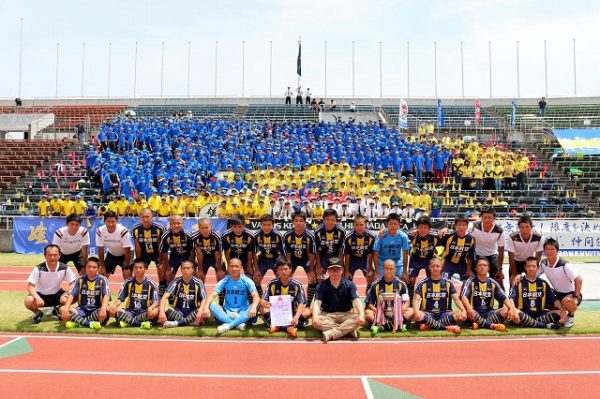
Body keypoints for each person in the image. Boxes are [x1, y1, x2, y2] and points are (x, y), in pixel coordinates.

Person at [312, 258, 365, 343]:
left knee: (358, 319)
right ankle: (348, 330)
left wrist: (361, 315)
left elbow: (356, 300)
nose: (335, 272)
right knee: (317, 320)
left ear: (342, 270)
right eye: (332, 269)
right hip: (327, 315)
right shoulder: (321, 286)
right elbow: (317, 303)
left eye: (337, 269)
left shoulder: (350, 285)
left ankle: (331, 334)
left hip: (346, 315)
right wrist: (314, 317)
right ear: (328, 271)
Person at [204, 258, 260, 334]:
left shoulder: (247, 280)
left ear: (241, 268)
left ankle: (229, 325)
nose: (234, 269)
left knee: (256, 304)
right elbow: (212, 295)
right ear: (228, 268)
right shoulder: (225, 280)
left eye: (236, 266)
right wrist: (205, 307)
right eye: (232, 266)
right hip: (228, 312)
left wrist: (253, 307)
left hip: (243, 311)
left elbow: (256, 296)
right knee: (208, 303)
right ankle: (239, 323)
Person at [508, 257, 566, 330]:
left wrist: (563, 311)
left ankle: (528, 323)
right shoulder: (518, 282)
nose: (531, 268)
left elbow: (554, 299)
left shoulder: (543, 283)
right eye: (529, 266)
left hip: (539, 313)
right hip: (524, 312)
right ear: (525, 267)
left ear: (537, 267)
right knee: (514, 312)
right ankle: (545, 325)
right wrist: (513, 311)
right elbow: (510, 298)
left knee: (559, 313)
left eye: (533, 266)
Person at [25, 244, 77, 324]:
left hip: (57, 295)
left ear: (59, 255)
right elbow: (30, 287)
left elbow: (73, 283)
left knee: (75, 295)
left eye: (55, 255)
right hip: (41, 295)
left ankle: (58, 309)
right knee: (28, 301)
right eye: (49, 255)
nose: (52, 257)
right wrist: (37, 298)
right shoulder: (38, 269)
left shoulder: (65, 268)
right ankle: (38, 313)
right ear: (45, 256)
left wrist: (69, 293)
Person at [412, 257, 466, 334]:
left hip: (444, 313)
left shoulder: (448, 283)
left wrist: (463, 310)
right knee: (418, 314)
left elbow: (456, 299)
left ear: (441, 268)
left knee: (458, 313)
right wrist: (416, 312)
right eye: (433, 266)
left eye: (437, 266)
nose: (435, 268)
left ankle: (430, 325)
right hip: (428, 313)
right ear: (429, 268)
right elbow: (416, 300)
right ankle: (447, 327)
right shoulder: (422, 283)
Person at [537, 238, 582, 328]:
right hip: (557, 293)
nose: (549, 252)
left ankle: (571, 315)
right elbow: (534, 275)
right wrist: (521, 275)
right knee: (540, 296)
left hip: (570, 294)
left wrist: (575, 297)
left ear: (557, 250)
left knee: (567, 302)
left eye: (552, 249)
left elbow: (579, 279)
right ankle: (560, 313)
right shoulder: (543, 263)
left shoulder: (565, 265)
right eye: (547, 249)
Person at [260, 257, 310, 337]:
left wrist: (297, 317)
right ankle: (288, 328)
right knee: (262, 308)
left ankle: (276, 326)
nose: (283, 271)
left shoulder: (297, 284)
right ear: (277, 270)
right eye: (280, 269)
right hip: (277, 315)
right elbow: (262, 300)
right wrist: (265, 303)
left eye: (286, 269)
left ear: (290, 270)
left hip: (293, 314)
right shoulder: (272, 284)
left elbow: (301, 303)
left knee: (308, 311)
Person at [460, 258, 513, 331]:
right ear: (475, 268)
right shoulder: (470, 281)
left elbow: (504, 298)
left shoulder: (493, 283)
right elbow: (463, 296)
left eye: (485, 265)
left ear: (488, 268)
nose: (482, 267)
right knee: (470, 311)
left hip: (488, 312)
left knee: (505, 310)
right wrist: (469, 308)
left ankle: (479, 324)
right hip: (474, 312)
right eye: (480, 265)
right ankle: (490, 325)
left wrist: (511, 309)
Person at [365, 259, 413, 336]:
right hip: (381, 313)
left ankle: (381, 326)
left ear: (395, 270)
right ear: (383, 269)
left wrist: (401, 310)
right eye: (386, 269)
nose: (389, 271)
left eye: (391, 269)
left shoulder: (401, 284)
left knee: (411, 311)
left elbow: (407, 302)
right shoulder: (375, 284)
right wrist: (377, 311)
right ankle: (398, 325)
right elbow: (369, 303)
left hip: (397, 313)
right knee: (368, 313)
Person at [61, 257, 110, 330]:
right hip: (82, 310)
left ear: (98, 268)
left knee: (107, 309)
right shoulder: (80, 279)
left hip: (96, 310)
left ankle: (79, 323)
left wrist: (102, 309)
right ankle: (89, 324)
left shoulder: (103, 279)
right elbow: (71, 295)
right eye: (89, 267)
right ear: (85, 268)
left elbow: (106, 296)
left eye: (94, 267)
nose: (91, 269)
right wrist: (66, 308)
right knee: (62, 309)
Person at [109, 258, 159, 329]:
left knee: (156, 312)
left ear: (145, 269)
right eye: (135, 268)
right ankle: (141, 324)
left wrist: (150, 308)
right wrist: (114, 306)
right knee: (116, 311)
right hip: (130, 311)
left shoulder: (151, 284)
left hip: (144, 311)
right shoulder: (128, 282)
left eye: (140, 268)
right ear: (133, 269)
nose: (138, 270)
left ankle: (128, 322)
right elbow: (120, 298)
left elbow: (156, 301)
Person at [158, 260, 208, 328]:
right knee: (164, 308)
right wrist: (161, 312)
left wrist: (200, 311)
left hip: (192, 311)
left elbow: (204, 299)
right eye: (184, 268)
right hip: (179, 312)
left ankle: (176, 323)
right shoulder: (176, 282)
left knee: (203, 310)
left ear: (192, 270)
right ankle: (189, 322)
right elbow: (164, 297)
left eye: (188, 268)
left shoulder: (198, 282)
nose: (186, 270)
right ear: (181, 270)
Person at [283, 211, 317, 304]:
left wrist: (311, 270)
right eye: (296, 221)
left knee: (312, 279)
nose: (299, 223)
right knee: (286, 278)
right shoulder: (287, 235)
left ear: (305, 222)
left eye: (301, 221)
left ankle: (308, 303)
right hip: (292, 259)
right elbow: (288, 254)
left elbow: (311, 254)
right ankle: (289, 302)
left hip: (306, 259)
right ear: (293, 222)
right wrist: (288, 268)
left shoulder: (310, 236)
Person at [467, 208, 505, 288]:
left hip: (492, 255)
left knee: (499, 279)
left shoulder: (500, 231)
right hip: (477, 255)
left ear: (494, 219)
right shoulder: (473, 226)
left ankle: (504, 298)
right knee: (472, 279)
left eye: (490, 217)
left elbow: (501, 251)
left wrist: (500, 269)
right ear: (481, 217)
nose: (487, 220)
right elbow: (460, 231)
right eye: (485, 217)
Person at [158, 214, 194, 297]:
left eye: (178, 223)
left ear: (182, 223)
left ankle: (189, 292)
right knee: (168, 274)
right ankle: (169, 294)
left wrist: (192, 264)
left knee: (189, 273)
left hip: (186, 257)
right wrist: (166, 267)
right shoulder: (165, 236)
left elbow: (192, 251)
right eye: (173, 223)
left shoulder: (188, 235)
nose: (176, 225)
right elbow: (163, 252)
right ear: (170, 224)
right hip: (174, 257)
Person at [253, 214, 285, 299]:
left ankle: (279, 300)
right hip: (262, 259)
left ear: (273, 225)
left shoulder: (278, 235)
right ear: (260, 225)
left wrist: (280, 267)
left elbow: (283, 254)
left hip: (275, 259)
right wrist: (256, 269)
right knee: (257, 279)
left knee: (281, 279)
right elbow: (253, 254)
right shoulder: (256, 236)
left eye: (269, 225)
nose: (266, 227)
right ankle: (259, 300)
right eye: (264, 225)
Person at [506, 215, 544, 283]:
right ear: (519, 228)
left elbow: (538, 258)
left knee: (531, 285)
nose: (524, 230)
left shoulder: (539, 238)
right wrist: (514, 274)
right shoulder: (512, 237)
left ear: (531, 227)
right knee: (514, 285)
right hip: (516, 262)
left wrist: (534, 272)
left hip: (530, 262)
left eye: (527, 227)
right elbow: (511, 258)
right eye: (522, 227)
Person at [438, 214, 476, 281]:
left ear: (467, 226)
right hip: (448, 264)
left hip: (462, 264)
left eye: (464, 225)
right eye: (459, 225)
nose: (461, 227)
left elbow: (470, 257)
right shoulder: (448, 235)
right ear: (455, 226)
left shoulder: (471, 239)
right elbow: (430, 233)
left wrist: (468, 270)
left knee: (473, 281)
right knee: (444, 282)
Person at [96, 211, 132, 279]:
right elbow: (100, 249)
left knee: (127, 274)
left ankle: (130, 289)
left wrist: (126, 267)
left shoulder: (123, 231)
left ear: (117, 221)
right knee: (101, 275)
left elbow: (127, 250)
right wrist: (102, 266)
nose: (110, 224)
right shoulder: (100, 231)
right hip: (112, 254)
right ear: (104, 221)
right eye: (108, 221)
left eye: (113, 221)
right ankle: (103, 289)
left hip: (126, 254)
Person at [373, 213, 410, 280]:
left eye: (395, 224)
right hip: (382, 262)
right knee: (378, 280)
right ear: (386, 225)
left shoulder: (403, 236)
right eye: (390, 224)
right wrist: (377, 271)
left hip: (397, 263)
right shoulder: (381, 235)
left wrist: (405, 272)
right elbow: (375, 253)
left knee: (404, 280)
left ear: (399, 225)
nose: (393, 226)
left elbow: (405, 254)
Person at [314, 208, 346, 283]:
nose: (330, 222)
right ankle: (320, 293)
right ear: (323, 220)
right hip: (323, 256)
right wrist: (318, 266)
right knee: (319, 278)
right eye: (327, 219)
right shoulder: (317, 231)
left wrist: (340, 263)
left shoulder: (341, 231)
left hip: (336, 255)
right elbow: (317, 250)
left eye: (332, 220)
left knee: (339, 277)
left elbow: (342, 249)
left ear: (336, 220)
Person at [343, 215, 376, 288]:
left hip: (365, 259)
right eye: (357, 225)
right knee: (347, 278)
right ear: (353, 225)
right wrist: (347, 271)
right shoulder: (348, 237)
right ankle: (349, 295)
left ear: (366, 225)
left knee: (370, 276)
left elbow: (370, 255)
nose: (359, 227)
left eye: (361, 225)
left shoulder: (371, 237)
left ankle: (369, 294)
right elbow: (347, 255)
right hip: (353, 260)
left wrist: (369, 270)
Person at [193, 217, 225, 282]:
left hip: (215, 257)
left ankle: (221, 291)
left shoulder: (217, 236)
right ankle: (200, 290)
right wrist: (200, 269)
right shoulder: (195, 237)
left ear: (211, 226)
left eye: (207, 227)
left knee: (221, 275)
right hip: (203, 258)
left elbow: (218, 253)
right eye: (202, 228)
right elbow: (199, 254)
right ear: (199, 228)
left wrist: (219, 269)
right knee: (199, 276)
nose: (205, 230)